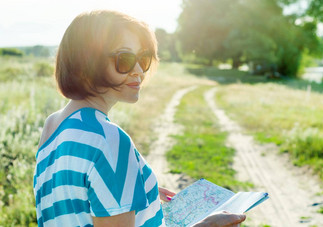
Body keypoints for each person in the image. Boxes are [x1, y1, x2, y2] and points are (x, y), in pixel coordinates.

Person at [33, 10, 246, 227]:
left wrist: (140, 191)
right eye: (124, 60)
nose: (138, 71)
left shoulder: (52, 126)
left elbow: (73, 203)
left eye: (142, 59)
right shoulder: (109, 140)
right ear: (87, 62)